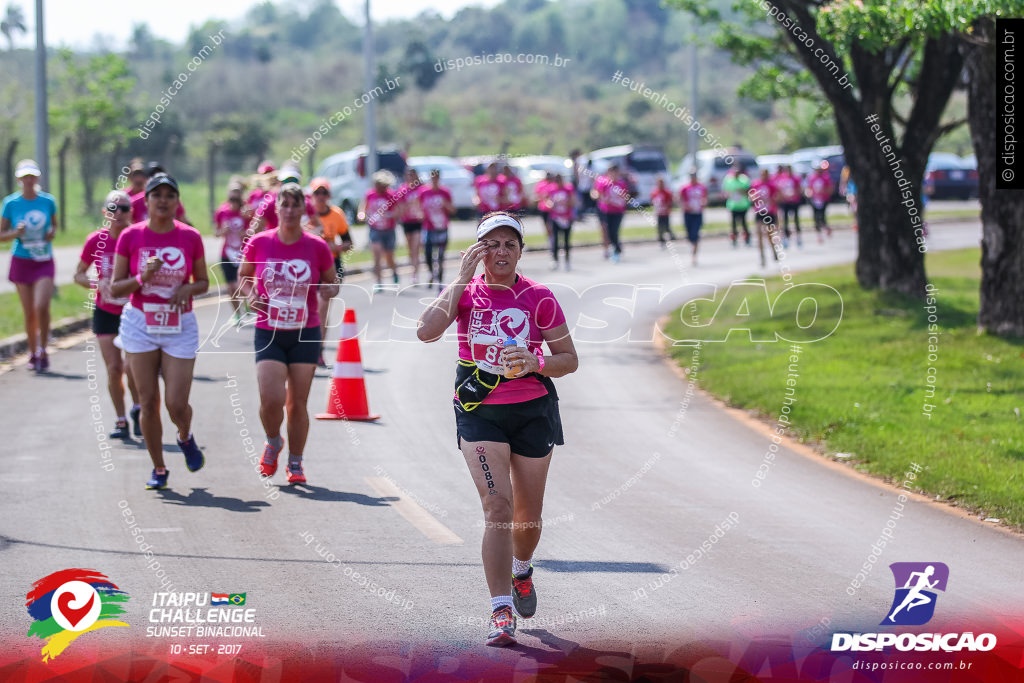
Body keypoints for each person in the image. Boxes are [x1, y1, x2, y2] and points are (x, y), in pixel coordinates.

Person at [416, 212, 579, 647]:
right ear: (478, 250)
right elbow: (425, 332)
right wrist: (459, 279)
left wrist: (536, 361)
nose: (501, 252)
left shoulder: (538, 297)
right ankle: (500, 610)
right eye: (492, 244)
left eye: (510, 244)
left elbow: (569, 358)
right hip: (479, 412)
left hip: (531, 411)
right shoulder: (465, 294)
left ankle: (522, 569)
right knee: (498, 509)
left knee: (528, 516)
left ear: (521, 251)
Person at [110, 173, 207, 490]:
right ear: (146, 201)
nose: (163, 200)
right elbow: (116, 286)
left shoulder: (190, 237)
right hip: (141, 323)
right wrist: (142, 277)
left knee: (176, 404)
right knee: (148, 401)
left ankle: (185, 436)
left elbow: (203, 281)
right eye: (157, 195)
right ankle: (159, 468)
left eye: (170, 195)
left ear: (177, 202)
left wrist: (187, 290)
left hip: (179, 324)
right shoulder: (131, 236)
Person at [239, 183, 338, 485]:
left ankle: (296, 462)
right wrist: (250, 294)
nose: (291, 210)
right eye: (286, 204)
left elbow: (331, 282)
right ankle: (273, 441)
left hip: (304, 332)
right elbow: (243, 276)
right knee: (271, 398)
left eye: (297, 205)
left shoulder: (316, 246)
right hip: (269, 331)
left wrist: (328, 289)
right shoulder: (259, 242)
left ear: (303, 209)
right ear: (277, 208)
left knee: (297, 403)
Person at [74, 190, 141, 438]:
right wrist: (95, 284)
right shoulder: (96, 240)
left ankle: (139, 410)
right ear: (105, 213)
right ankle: (121, 420)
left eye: (124, 208)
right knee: (114, 369)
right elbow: (78, 273)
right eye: (113, 209)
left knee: (133, 368)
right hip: (105, 310)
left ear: (131, 212)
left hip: (133, 312)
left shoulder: (138, 237)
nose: (119, 213)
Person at [1, 159, 58, 372]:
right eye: (25, 177)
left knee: (42, 306)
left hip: (43, 259)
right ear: (19, 179)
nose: (28, 180)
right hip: (21, 259)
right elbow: (1, 235)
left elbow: (54, 226)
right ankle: (33, 352)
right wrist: (16, 233)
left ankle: (44, 349)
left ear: (37, 178)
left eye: (32, 176)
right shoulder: (11, 203)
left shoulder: (48, 201)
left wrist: (52, 233)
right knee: (29, 313)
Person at [310, 177, 353, 366]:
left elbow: (349, 243)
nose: (320, 196)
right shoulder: (304, 215)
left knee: (322, 309)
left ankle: (318, 351)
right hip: (308, 267)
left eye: (324, 192)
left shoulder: (336, 214)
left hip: (331, 266)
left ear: (329, 195)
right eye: (316, 193)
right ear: (311, 195)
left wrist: (335, 247)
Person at [213, 181, 249, 324]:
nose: (234, 202)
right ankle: (237, 315)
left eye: (237, 199)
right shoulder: (222, 212)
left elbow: (256, 231)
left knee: (244, 284)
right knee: (231, 286)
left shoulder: (248, 212)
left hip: (244, 253)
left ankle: (247, 302)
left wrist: (245, 233)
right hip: (227, 253)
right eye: (231, 199)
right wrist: (223, 231)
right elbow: (216, 232)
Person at [360, 170, 400, 289]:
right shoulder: (370, 194)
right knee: (376, 255)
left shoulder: (391, 195)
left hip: (388, 230)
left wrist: (388, 215)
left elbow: (398, 212)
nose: (377, 186)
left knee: (389, 258)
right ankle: (379, 282)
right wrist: (361, 216)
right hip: (375, 229)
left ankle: (394, 271)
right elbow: (362, 208)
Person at [419, 169, 454, 288]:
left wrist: (445, 204)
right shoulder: (424, 192)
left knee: (440, 255)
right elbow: (419, 207)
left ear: (439, 178)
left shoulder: (445, 192)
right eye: (432, 178)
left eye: (436, 178)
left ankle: (439, 279)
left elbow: (452, 210)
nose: (434, 180)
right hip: (429, 228)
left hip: (442, 227)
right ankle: (431, 272)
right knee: (428, 253)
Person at [594, 164, 629, 262]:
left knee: (614, 230)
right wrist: (602, 198)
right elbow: (598, 194)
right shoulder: (603, 182)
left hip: (618, 211)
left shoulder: (621, 184)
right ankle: (614, 249)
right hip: (606, 210)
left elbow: (625, 198)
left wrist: (617, 202)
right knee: (608, 231)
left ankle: (616, 249)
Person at [396, 167, 425, 284]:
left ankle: (415, 273)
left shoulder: (422, 189)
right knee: (410, 248)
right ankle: (413, 267)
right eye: (408, 175)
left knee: (416, 247)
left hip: (418, 221)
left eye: (412, 175)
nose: (410, 178)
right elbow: (400, 205)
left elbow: (424, 203)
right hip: (407, 221)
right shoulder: (403, 189)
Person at [749, 168, 781, 265]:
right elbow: (751, 196)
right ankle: (762, 255)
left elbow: (779, 195)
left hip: (770, 211)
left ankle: (774, 250)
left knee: (770, 234)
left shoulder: (772, 185)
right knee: (759, 233)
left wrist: (772, 200)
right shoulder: (756, 184)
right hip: (759, 211)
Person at [678, 171, 707, 266]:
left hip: (698, 213)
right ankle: (693, 245)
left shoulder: (701, 187)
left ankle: (694, 256)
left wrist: (704, 203)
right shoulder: (685, 188)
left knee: (695, 233)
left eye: (694, 176)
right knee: (689, 235)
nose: (693, 178)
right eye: (691, 176)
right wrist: (685, 206)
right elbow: (680, 199)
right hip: (688, 213)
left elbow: (705, 198)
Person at [547, 173, 575, 270]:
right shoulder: (551, 189)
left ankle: (567, 261)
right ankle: (555, 260)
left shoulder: (568, 188)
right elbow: (548, 201)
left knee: (566, 240)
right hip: (555, 217)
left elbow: (573, 202)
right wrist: (552, 204)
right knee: (556, 240)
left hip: (567, 217)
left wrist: (564, 202)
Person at [722, 160, 752, 247]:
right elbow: (725, 191)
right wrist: (728, 195)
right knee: (733, 224)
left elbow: (749, 191)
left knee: (744, 223)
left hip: (743, 205)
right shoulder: (728, 179)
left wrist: (742, 191)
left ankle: (747, 238)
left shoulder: (744, 179)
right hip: (733, 205)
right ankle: (734, 239)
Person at [773, 164, 803, 247]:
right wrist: (783, 197)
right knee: (785, 220)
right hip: (785, 201)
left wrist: (794, 195)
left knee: (796, 219)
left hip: (794, 201)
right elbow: (779, 189)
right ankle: (786, 238)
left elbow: (799, 189)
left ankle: (798, 237)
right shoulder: (782, 178)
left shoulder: (795, 178)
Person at [806, 161, 834, 242]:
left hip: (823, 200)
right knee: (815, 217)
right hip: (814, 200)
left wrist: (823, 193)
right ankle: (819, 235)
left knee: (822, 216)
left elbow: (830, 189)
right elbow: (809, 188)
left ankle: (826, 227)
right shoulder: (812, 178)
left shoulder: (826, 177)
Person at [650, 176, 676, 246]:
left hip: (665, 212)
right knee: (659, 226)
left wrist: (668, 208)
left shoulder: (667, 192)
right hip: (659, 212)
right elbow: (653, 201)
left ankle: (671, 235)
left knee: (666, 226)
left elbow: (670, 202)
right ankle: (661, 239)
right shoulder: (655, 192)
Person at [840, 165, 858, 232]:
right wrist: (843, 189)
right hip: (851, 189)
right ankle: (856, 223)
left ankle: (856, 223)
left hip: (855, 188)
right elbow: (844, 180)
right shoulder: (846, 169)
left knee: (856, 208)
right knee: (854, 209)